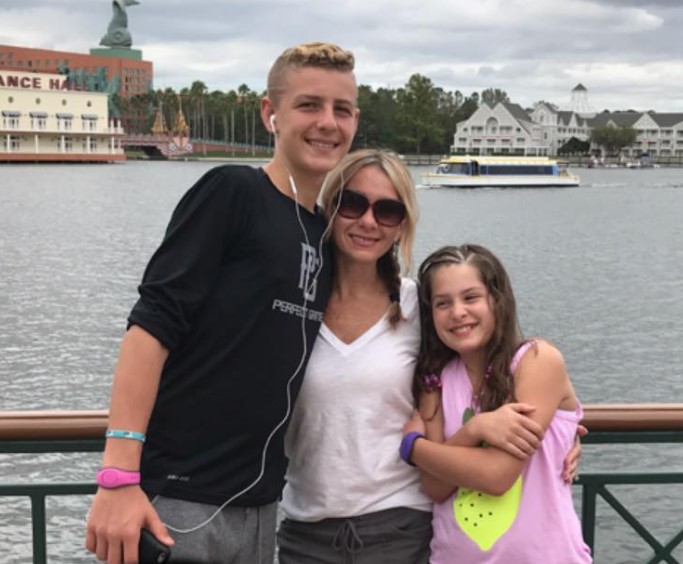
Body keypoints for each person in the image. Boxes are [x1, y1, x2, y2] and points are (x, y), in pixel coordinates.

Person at [85, 41, 360, 564]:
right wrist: (118, 478)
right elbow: (151, 327)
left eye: (341, 109)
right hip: (180, 503)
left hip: (261, 508)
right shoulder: (232, 191)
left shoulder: (325, 234)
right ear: (270, 113)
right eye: (309, 105)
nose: (327, 122)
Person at [276, 152, 564, 564]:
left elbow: (492, 354)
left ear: (403, 224)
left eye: (388, 210)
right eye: (352, 203)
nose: (369, 221)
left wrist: (563, 428)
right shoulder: (290, 304)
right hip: (306, 529)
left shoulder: (421, 307)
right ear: (329, 208)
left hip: (400, 527)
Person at [402, 244, 592, 563]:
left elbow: (497, 476)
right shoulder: (435, 380)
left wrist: (413, 447)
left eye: (471, 297)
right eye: (442, 303)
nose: (458, 312)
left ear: (497, 299)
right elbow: (435, 487)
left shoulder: (536, 360)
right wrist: (475, 428)